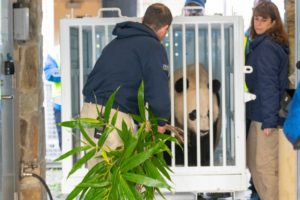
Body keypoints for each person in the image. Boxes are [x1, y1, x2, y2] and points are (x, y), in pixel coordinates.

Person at [81, 3, 172, 165]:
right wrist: (161, 122)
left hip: (89, 113)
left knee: (99, 177)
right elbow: (158, 89)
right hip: (113, 117)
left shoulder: (116, 42)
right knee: (118, 175)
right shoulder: (153, 47)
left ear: (143, 19)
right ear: (165, 28)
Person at [245, 2, 289, 200]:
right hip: (259, 114)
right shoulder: (261, 45)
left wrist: (269, 122)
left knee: (265, 169)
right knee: (255, 165)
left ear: (273, 22)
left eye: (264, 20)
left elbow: (269, 87)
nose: (258, 23)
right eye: (256, 19)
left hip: (265, 119)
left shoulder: (267, 49)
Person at [44, 53, 62, 150]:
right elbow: (49, 74)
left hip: (80, 102)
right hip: (61, 105)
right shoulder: (54, 54)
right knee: (63, 138)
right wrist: (66, 72)